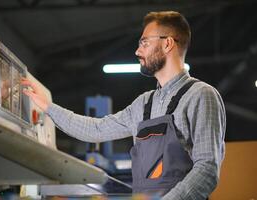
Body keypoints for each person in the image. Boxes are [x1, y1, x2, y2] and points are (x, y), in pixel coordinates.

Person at [21, 11, 226, 200]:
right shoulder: (143, 104)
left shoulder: (201, 95)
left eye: (144, 42)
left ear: (168, 44)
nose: (138, 51)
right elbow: (95, 129)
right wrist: (48, 106)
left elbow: (207, 168)